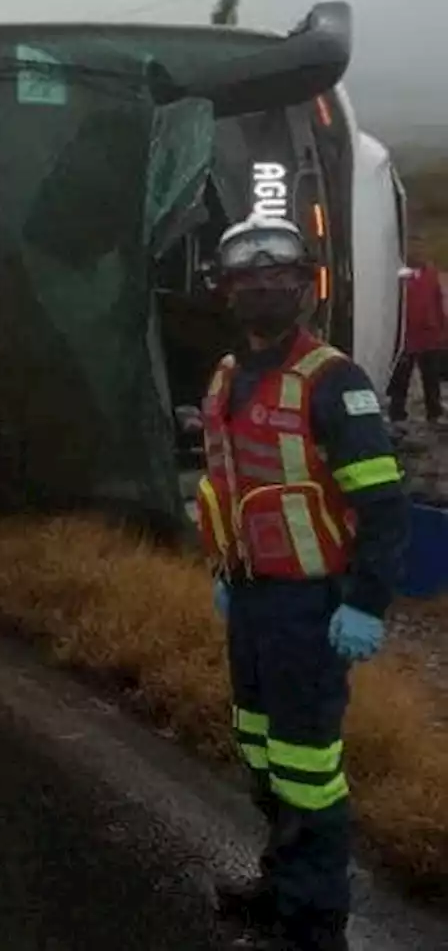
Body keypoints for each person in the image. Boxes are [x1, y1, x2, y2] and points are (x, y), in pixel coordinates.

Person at [195, 215, 410, 951]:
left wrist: (365, 604)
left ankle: (316, 919)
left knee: (308, 767)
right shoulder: (228, 377)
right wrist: (226, 571)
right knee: (260, 752)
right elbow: (229, 486)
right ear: (227, 291)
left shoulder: (334, 382)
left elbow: (383, 506)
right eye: (248, 278)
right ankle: (281, 881)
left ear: (306, 287)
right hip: (251, 600)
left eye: (279, 277)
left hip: (311, 609)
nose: (263, 288)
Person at [387, 238, 446, 428]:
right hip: (407, 336)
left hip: (430, 336)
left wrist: (443, 331)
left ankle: (434, 413)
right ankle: (397, 415)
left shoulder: (431, 273)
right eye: (414, 249)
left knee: (431, 378)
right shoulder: (399, 276)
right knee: (401, 378)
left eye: (421, 249)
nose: (419, 253)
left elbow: (438, 302)